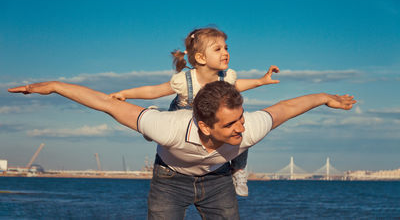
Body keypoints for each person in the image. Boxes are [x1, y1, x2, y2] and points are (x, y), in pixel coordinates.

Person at [8, 80, 356, 219]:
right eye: (231, 125)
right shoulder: (168, 127)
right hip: (168, 182)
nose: (241, 129)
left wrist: (326, 98)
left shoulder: (248, 129)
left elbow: (287, 107)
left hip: (219, 183)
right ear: (204, 125)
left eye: (241, 120)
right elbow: (107, 104)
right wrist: (52, 87)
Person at [109, 27, 280, 196]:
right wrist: (125, 94)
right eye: (218, 49)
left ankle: (238, 169)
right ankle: (155, 114)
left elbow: (238, 86)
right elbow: (154, 91)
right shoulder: (185, 80)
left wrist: (261, 81)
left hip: (208, 123)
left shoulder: (226, 77)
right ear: (200, 57)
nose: (225, 52)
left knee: (239, 130)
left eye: (226, 48)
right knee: (167, 131)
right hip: (184, 117)